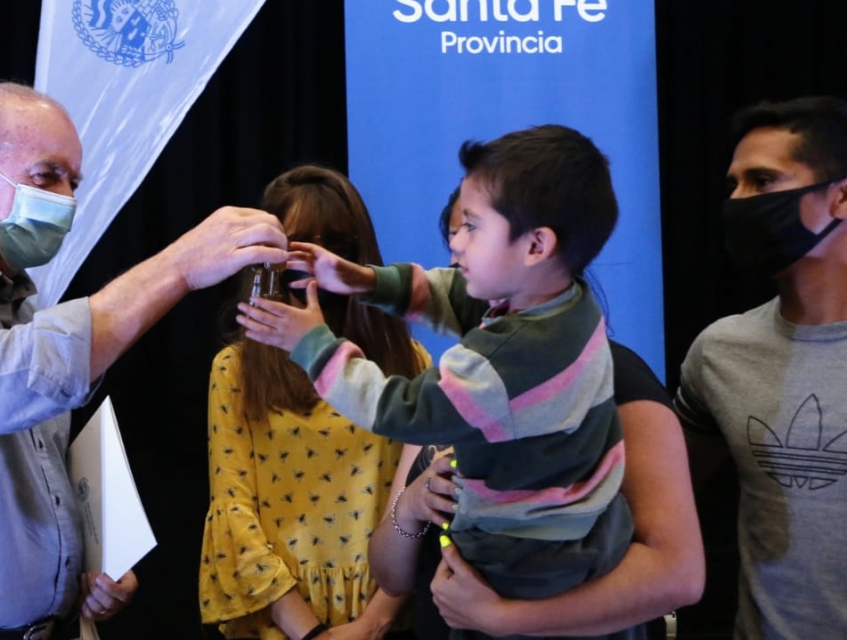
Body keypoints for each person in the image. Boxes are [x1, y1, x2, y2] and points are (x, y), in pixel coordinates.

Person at [0, 82, 287, 640]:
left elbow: (28, 484)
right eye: (47, 176)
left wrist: (83, 570)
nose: (67, 200)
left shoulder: (24, 310)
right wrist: (178, 267)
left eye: (74, 182)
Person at [238, 125, 632, 639]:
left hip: (520, 561)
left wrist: (311, 343)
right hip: (587, 533)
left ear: (536, 245)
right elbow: (452, 293)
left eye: (472, 227)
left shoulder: (505, 361)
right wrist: (360, 279)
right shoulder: (566, 303)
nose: (454, 240)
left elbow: (400, 409)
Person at [364, 187, 704, 640]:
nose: (460, 265)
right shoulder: (453, 385)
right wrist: (410, 508)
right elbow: (392, 579)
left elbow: (678, 575)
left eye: (475, 239)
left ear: (539, 249)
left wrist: (502, 617)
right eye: (455, 250)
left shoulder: (616, 378)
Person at [198, 165, 431, 640]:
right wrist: (309, 633)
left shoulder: (408, 362)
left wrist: (374, 622)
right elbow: (233, 511)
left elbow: (416, 507)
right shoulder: (236, 371)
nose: (317, 262)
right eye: (299, 245)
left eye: (337, 244)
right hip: (277, 619)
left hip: (385, 614)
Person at [674, 96, 847, 639]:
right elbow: (656, 498)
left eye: (763, 181)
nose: (738, 202)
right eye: (734, 185)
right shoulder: (721, 350)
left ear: (840, 197)